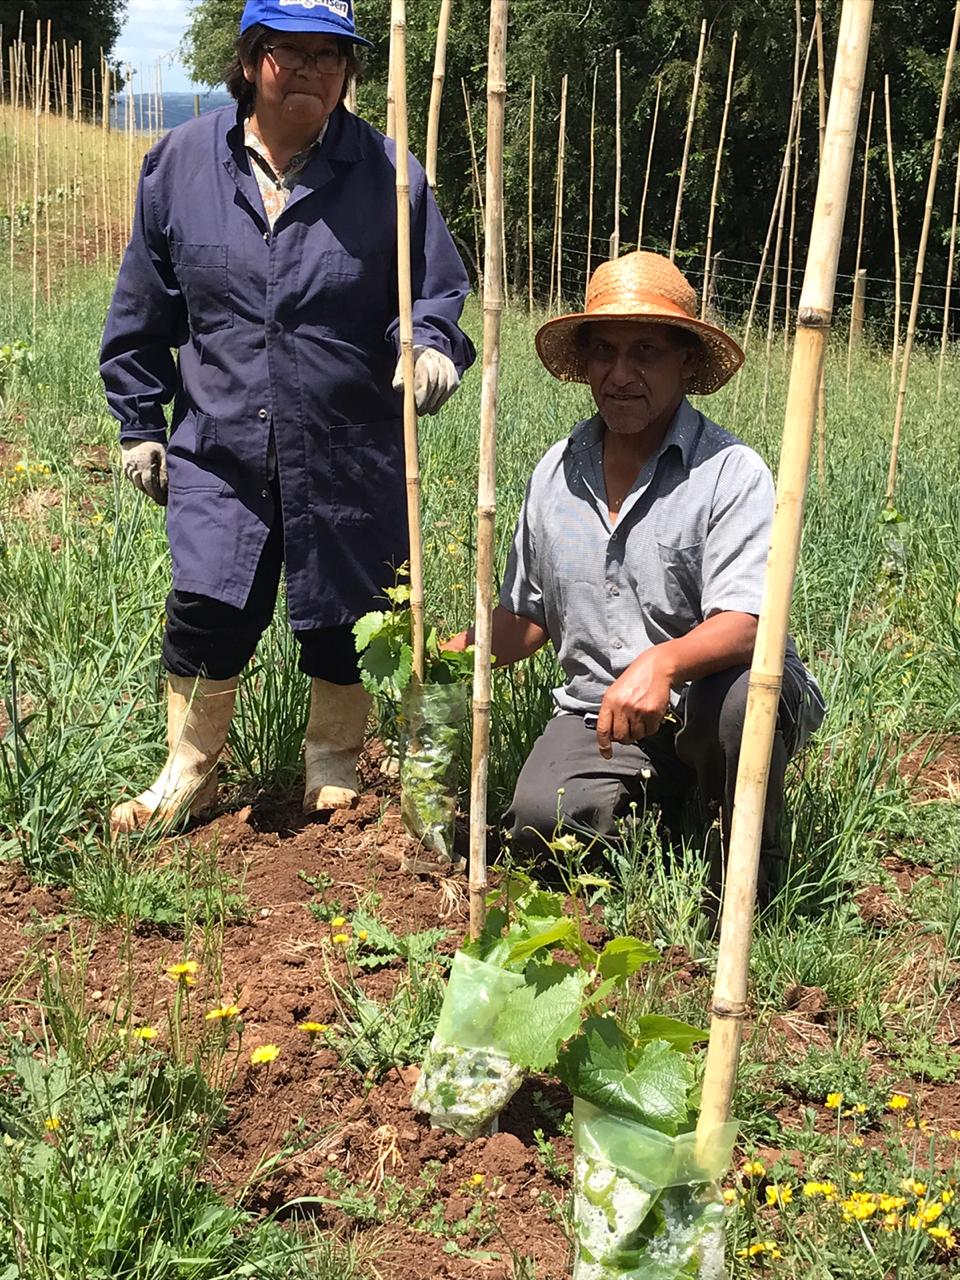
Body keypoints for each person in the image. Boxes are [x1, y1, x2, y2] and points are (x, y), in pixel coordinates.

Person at [100, 0, 475, 833]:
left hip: (347, 448)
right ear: (249, 60)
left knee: (344, 612)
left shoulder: (392, 176)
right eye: (287, 53)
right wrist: (139, 423)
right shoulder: (181, 165)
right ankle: (188, 773)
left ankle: (332, 768)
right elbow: (143, 306)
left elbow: (434, 290)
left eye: (328, 56)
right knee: (206, 607)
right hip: (219, 444)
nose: (308, 70)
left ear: (350, 70)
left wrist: (430, 342)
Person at [448, 251, 824, 899]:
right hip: (604, 717)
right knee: (542, 825)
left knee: (736, 705)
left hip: (706, 697)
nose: (621, 374)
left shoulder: (730, 474)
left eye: (646, 351)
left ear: (685, 361)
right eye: (604, 352)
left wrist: (663, 665)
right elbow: (528, 616)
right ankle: (667, 812)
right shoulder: (557, 474)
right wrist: (447, 655)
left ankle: (747, 869)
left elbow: (749, 626)